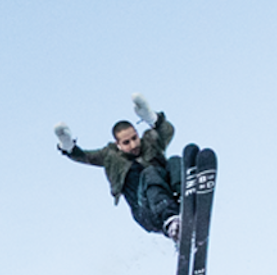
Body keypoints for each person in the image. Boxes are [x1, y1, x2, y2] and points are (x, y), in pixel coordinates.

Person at [55, 95, 187, 241]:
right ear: (118, 144)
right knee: (149, 173)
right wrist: (67, 145)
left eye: (134, 138)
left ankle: (186, 196)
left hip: (168, 200)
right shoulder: (111, 157)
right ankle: (172, 223)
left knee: (176, 160)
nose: (133, 145)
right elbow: (85, 156)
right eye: (126, 142)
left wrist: (150, 116)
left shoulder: (150, 143)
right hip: (146, 211)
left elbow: (167, 130)